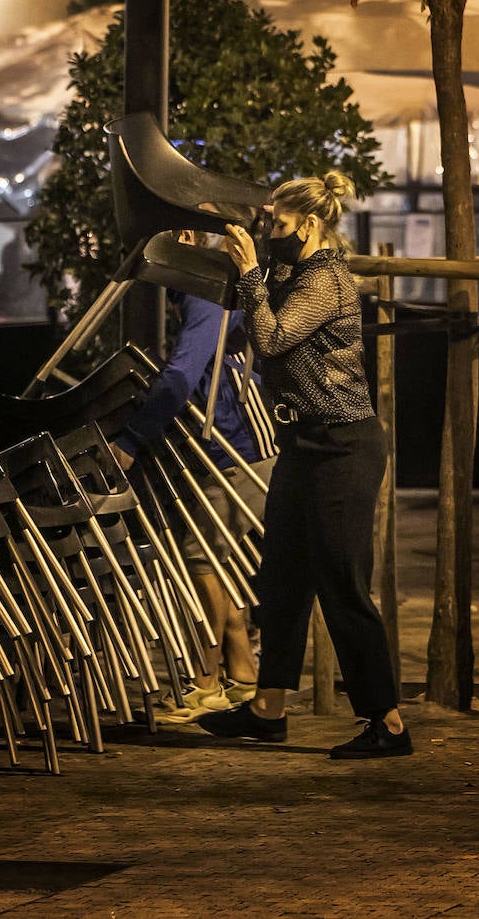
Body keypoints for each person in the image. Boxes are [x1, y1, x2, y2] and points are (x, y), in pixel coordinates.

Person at [197, 174, 412, 760]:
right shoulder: (290, 273)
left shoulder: (328, 281)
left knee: (342, 582)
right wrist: (240, 266)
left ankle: (387, 721)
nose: (270, 233)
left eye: (279, 225)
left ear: (311, 225)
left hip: (343, 445)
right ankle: (268, 708)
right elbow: (249, 315)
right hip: (302, 443)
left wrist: (247, 271)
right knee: (283, 577)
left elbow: (269, 338)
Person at [109, 233, 276, 722]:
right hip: (232, 445)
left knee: (201, 556)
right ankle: (242, 672)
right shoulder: (200, 290)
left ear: (184, 240)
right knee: (217, 556)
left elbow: (184, 371)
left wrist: (132, 440)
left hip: (238, 448)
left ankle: (206, 682)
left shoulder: (207, 290)